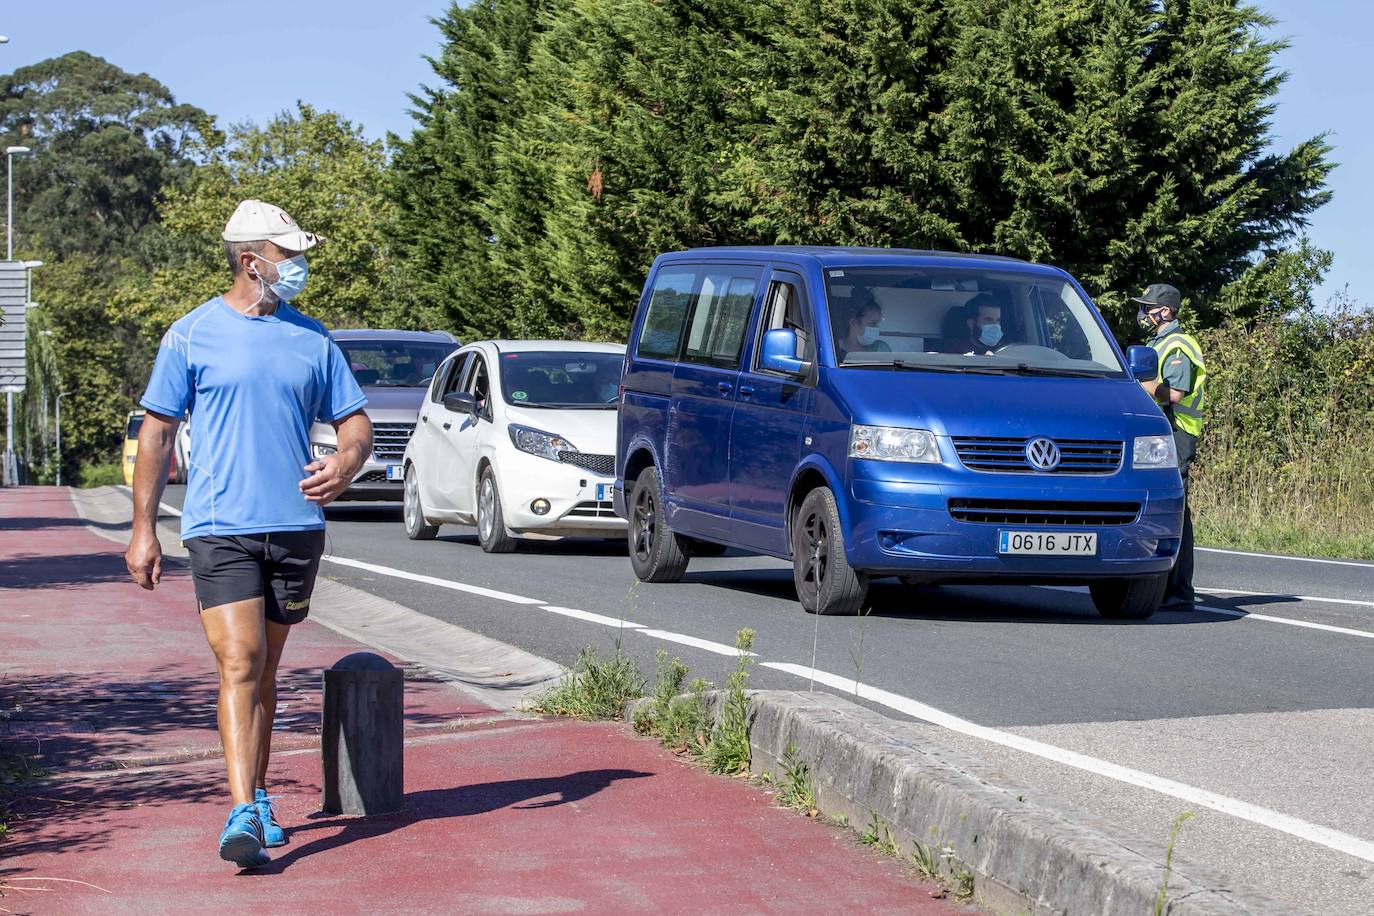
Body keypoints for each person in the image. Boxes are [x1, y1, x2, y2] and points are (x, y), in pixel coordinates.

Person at [124, 200, 373, 868]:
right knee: (238, 662)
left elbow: (356, 425)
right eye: (288, 256)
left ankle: (257, 793)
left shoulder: (311, 338)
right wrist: (143, 528)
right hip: (218, 526)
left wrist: (345, 464)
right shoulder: (190, 335)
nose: (298, 267)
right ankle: (241, 811)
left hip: (294, 527)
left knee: (264, 670)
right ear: (249, 260)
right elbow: (157, 431)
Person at [1134, 282, 1207, 612]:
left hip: (1177, 431)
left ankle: (1178, 591)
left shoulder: (1177, 344)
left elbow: (1175, 394)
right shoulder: (1160, 341)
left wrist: (1143, 385)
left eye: (1148, 308)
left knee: (1175, 508)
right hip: (1164, 432)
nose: (1144, 313)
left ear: (1166, 311)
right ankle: (1165, 586)